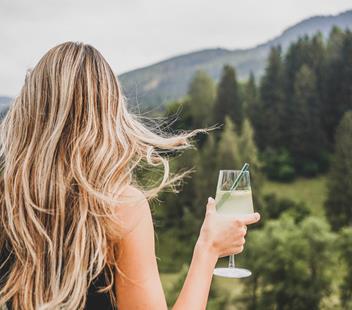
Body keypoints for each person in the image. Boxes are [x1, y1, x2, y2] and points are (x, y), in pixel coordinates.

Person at [0, 42, 260, 310]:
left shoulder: (7, 203)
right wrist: (208, 248)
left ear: (28, 112)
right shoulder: (120, 207)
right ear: (108, 115)